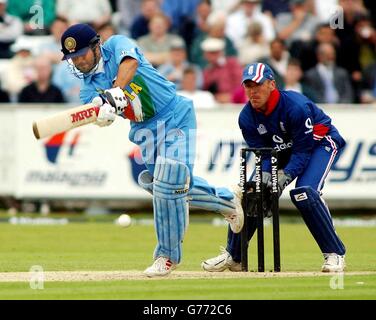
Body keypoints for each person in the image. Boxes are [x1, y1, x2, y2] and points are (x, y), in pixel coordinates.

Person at [60, 23, 244, 277]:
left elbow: (130, 65)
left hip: (174, 114)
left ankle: (166, 257)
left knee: (170, 179)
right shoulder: (88, 89)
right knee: (167, 186)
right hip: (145, 130)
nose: (78, 61)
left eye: (81, 54)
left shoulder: (116, 44)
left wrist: (114, 92)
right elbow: (101, 112)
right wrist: (102, 114)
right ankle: (227, 201)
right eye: (73, 58)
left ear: (95, 46)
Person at [202, 62, 347, 273]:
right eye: (248, 86)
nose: (253, 92)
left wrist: (285, 176)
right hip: (283, 150)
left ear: (271, 84)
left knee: (305, 193)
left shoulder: (295, 106)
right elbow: (263, 153)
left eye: (258, 85)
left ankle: (334, 254)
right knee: (252, 191)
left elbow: (302, 151)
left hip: (320, 142)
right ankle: (234, 256)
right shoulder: (246, 117)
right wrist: (268, 174)